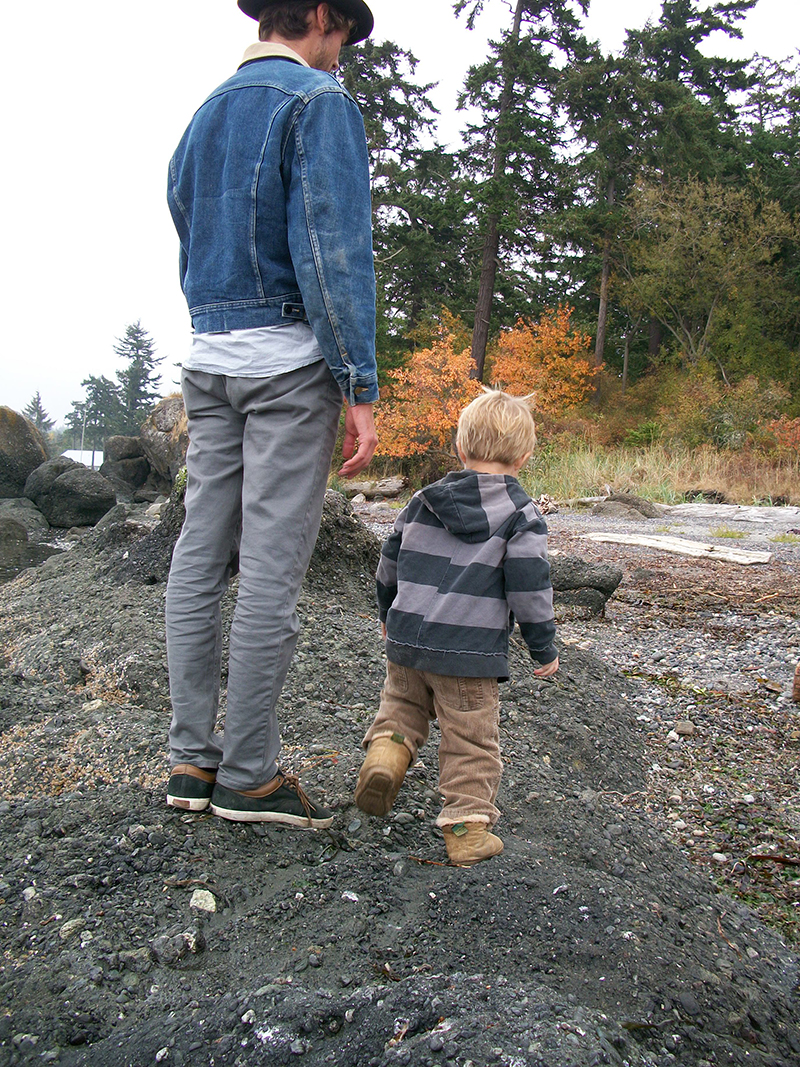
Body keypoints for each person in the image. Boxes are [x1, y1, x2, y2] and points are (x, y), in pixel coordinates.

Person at [164, 0, 378, 829]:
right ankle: (249, 775)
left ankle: (192, 759)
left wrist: (215, 321)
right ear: (320, 14)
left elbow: (187, 230)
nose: (342, 53)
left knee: (199, 553)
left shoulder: (206, 110)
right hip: (288, 366)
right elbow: (333, 249)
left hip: (209, 360)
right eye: (344, 33)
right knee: (268, 570)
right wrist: (358, 384)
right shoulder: (319, 104)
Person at [355, 390, 559, 864]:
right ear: (524, 456)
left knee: (402, 706)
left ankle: (386, 755)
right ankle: (466, 828)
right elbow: (529, 586)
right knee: (470, 739)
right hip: (468, 652)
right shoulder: (521, 514)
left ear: (460, 447)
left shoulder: (422, 501)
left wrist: (387, 615)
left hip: (407, 640)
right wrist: (543, 646)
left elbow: (389, 562)